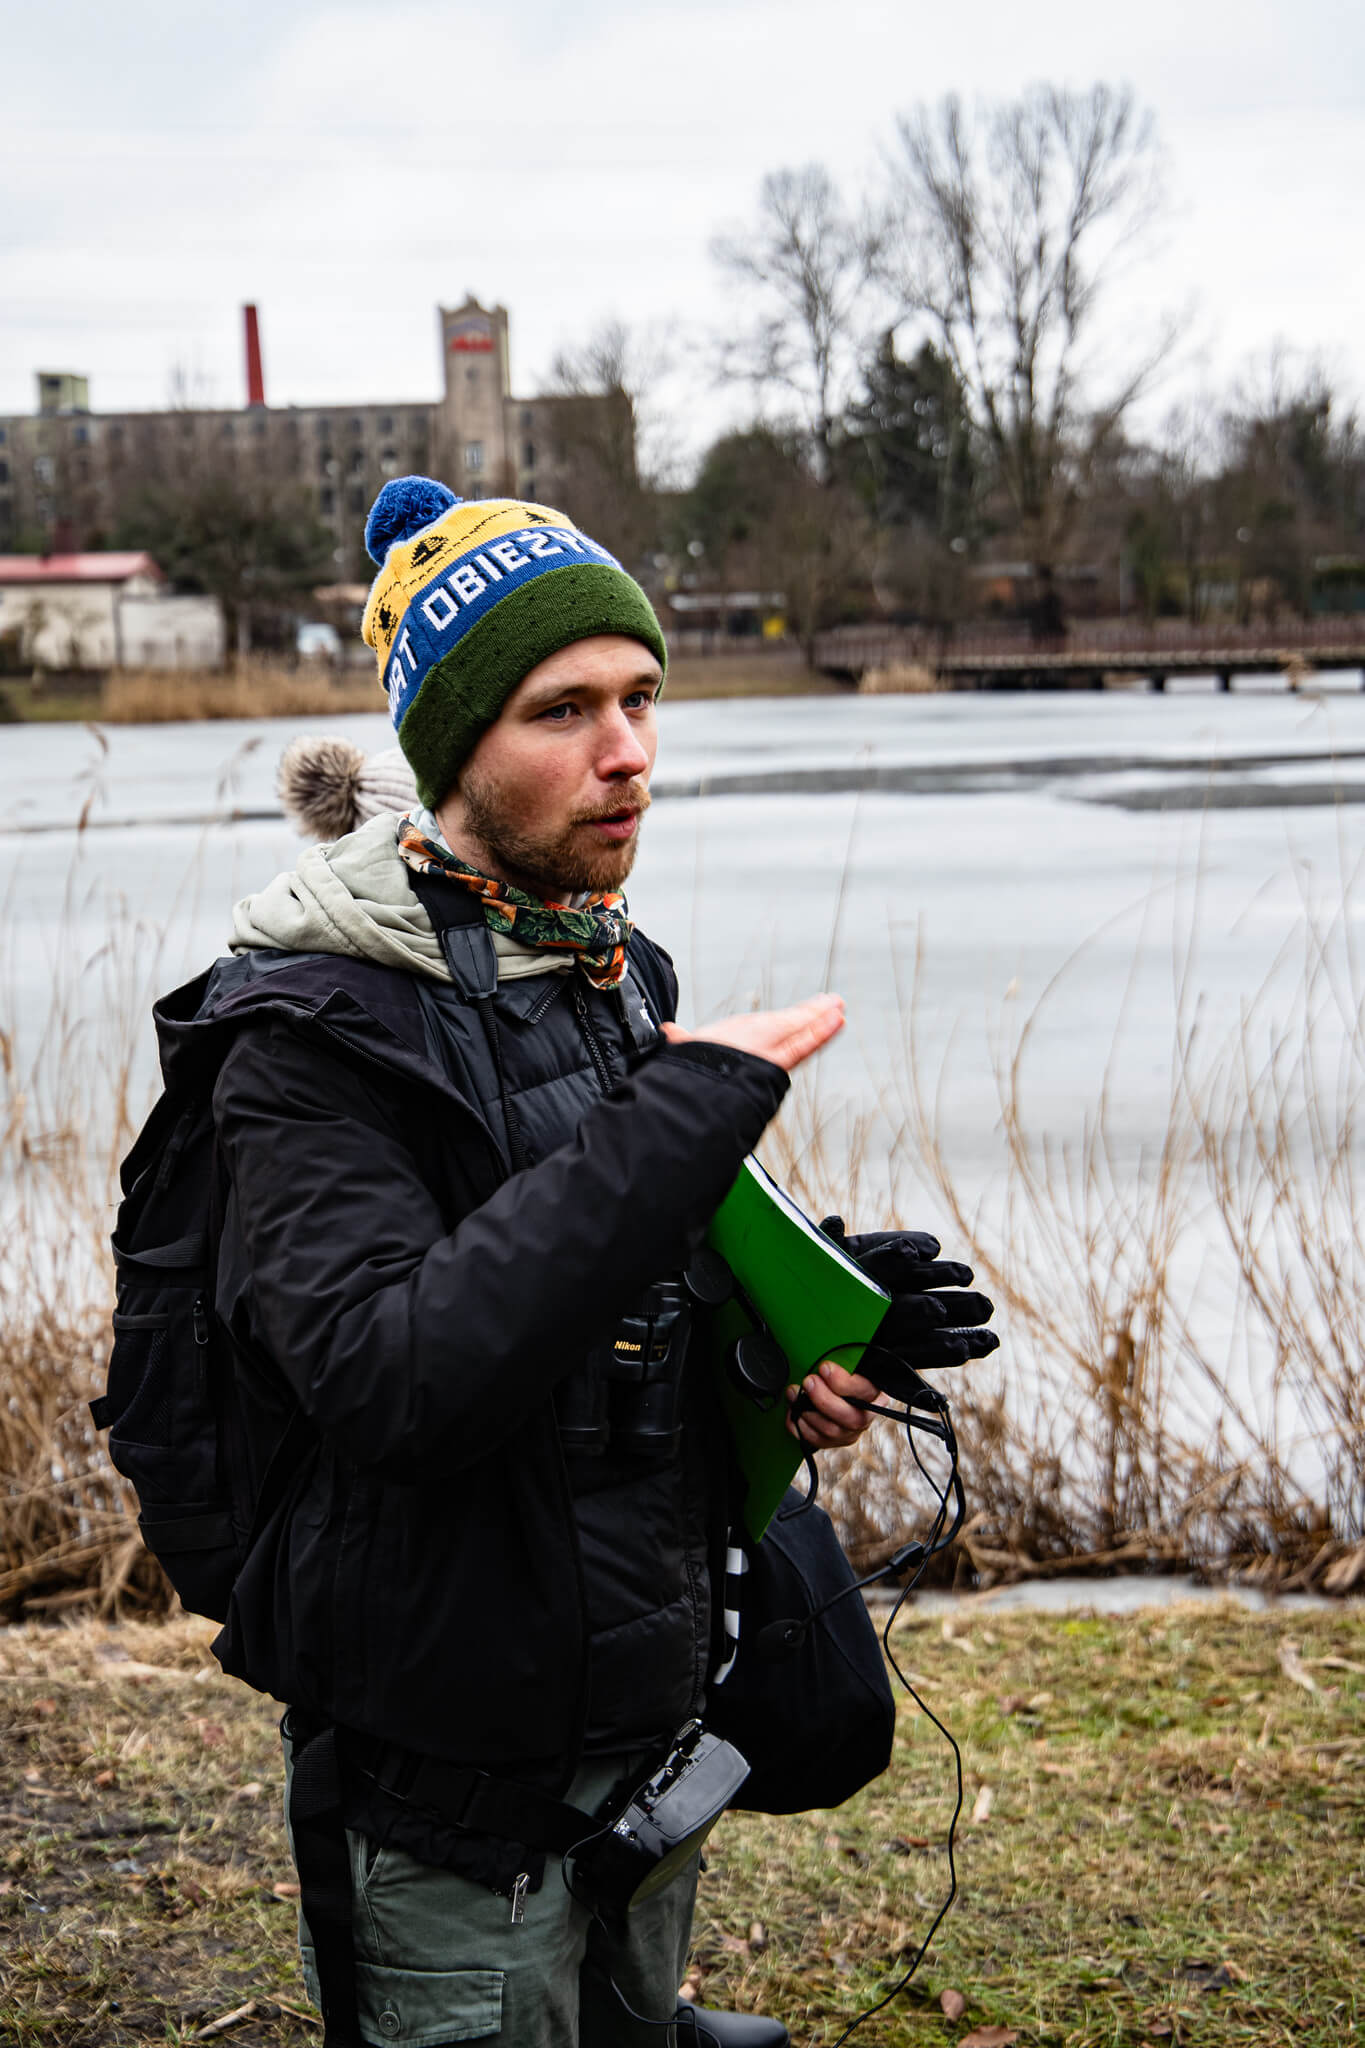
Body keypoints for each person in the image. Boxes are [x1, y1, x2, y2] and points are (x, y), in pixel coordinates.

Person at [196, 477, 996, 2048]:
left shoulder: (603, 963)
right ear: (449, 749)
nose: (626, 751)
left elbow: (605, 1290)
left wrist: (793, 1330)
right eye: (562, 708)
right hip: (449, 1772)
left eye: (640, 698)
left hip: (641, 1714)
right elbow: (397, 1378)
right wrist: (689, 1111)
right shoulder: (306, 1031)